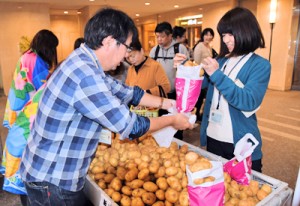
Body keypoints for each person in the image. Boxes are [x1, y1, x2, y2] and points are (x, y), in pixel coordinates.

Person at [19, 8, 193, 206]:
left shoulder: (84, 62)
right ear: (110, 42)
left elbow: (128, 92)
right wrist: (172, 120)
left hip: (49, 172)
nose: (126, 56)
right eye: (126, 47)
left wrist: (166, 103)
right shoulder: (85, 74)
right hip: (53, 179)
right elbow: (131, 127)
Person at [174, 7, 271, 172]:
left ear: (246, 31)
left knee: (243, 192)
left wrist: (217, 75)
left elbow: (248, 101)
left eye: (230, 34)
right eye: (223, 35)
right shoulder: (221, 60)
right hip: (213, 135)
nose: (225, 40)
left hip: (240, 142)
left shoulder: (260, 65)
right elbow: (199, 84)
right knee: (217, 186)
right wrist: (185, 67)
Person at [0, 29, 59, 206]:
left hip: (20, 113)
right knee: (28, 171)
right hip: (29, 116)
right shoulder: (37, 61)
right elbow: (43, 90)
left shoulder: (27, 56)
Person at [149, 22, 190, 140]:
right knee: (160, 121)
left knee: (176, 122)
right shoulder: (154, 51)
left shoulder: (180, 48)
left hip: (176, 93)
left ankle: (177, 143)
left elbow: (187, 69)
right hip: (160, 94)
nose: (159, 39)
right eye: (157, 36)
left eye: (162, 36)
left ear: (170, 36)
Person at [193, 28, 216, 122]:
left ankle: (200, 113)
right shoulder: (200, 46)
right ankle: (196, 114)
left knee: (203, 96)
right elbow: (196, 62)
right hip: (201, 75)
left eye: (210, 35)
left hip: (208, 75)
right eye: (206, 35)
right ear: (202, 35)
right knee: (200, 96)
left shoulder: (209, 46)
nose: (208, 37)